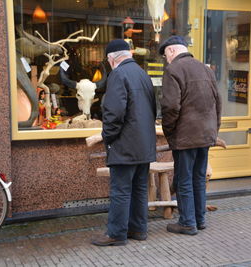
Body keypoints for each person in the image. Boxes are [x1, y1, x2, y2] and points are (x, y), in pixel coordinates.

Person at [91, 39, 156, 246]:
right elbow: (154, 109)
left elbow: (113, 113)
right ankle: (139, 230)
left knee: (121, 190)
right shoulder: (142, 73)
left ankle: (116, 234)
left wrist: (108, 137)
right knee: (139, 189)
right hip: (144, 143)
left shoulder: (118, 74)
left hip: (124, 144)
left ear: (112, 59)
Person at [159, 36, 222, 235]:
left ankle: (187, 223)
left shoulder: (173, 70)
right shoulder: (206, 69)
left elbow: (170, 107)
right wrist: (214, 130)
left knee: (184, 179)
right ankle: (199, 219)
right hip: (205, 134)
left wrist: (169, 131)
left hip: (185, 136)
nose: (166, 60)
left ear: (170, 51)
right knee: (198, 177)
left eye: (165, 55)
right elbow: (218, 104)